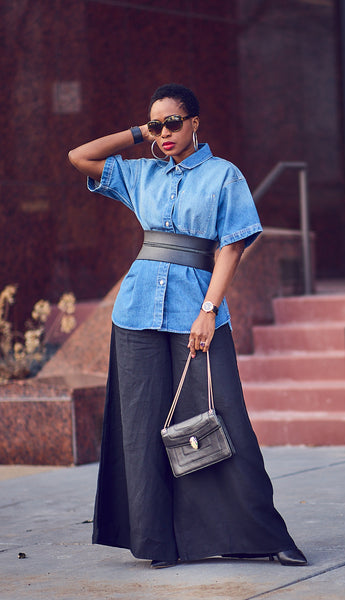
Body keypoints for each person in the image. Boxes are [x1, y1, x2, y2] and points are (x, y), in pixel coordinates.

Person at [68, 83, 307, 569]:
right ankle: (158, 542)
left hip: (195, 310)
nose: (165, 133)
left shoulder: (224, 176)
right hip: (136, 311)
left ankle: (262, 534)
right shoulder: (141, 173)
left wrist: (208, 310)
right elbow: (79, 156)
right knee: (142, 425)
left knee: (224, 416)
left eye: (173, 122)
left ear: (196, 122)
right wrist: (139, 133)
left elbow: (232, 246)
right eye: (157, 126)